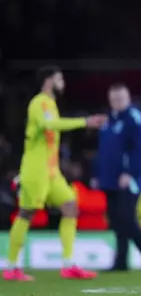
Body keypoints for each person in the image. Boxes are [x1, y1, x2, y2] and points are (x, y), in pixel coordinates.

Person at [3, 66, 106, 281]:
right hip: (35, 170)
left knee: (71, 207)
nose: (63, 83)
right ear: (48, 81)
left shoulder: (50, 104)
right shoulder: (39, 103)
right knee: (26, 214)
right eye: (60, 79)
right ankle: (11, 267)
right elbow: (49, 125)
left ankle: (69, 265)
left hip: (51, 171)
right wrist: (84, 122)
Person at [93, 84, 141, 272]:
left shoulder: (136, 119)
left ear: (129, 98)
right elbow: (102, 151)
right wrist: (98, 174)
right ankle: (121, 261)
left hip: (128, 180)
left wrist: (130, 172)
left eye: (121, 99)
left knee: (127, 218)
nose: (117, 103)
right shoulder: (107, 121)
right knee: (116, 220)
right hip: (109, 178)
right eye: (114, 99)